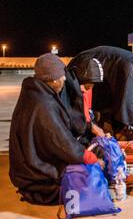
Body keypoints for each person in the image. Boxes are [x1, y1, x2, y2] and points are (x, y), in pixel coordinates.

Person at [9, 53, 99, 205]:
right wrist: (88, 158)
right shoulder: (43, 105)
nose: (64, 79)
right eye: (61, 77)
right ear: (52, 79)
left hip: (26, 170)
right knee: (85, 181)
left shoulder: (35, 95)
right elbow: (59, 141)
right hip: (35, 176)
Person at [68, 46, 133, 134]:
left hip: (103, 77)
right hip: (85, 66)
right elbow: (130, 103)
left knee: (106, 117)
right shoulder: (130, 68)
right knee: (84, 111)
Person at [61, 57, 106, 145]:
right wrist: (91, 127)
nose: (91, 87)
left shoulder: (83, 90)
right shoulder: (70, 91)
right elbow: (70, 120)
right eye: (90, 83)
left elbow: (86, 116)